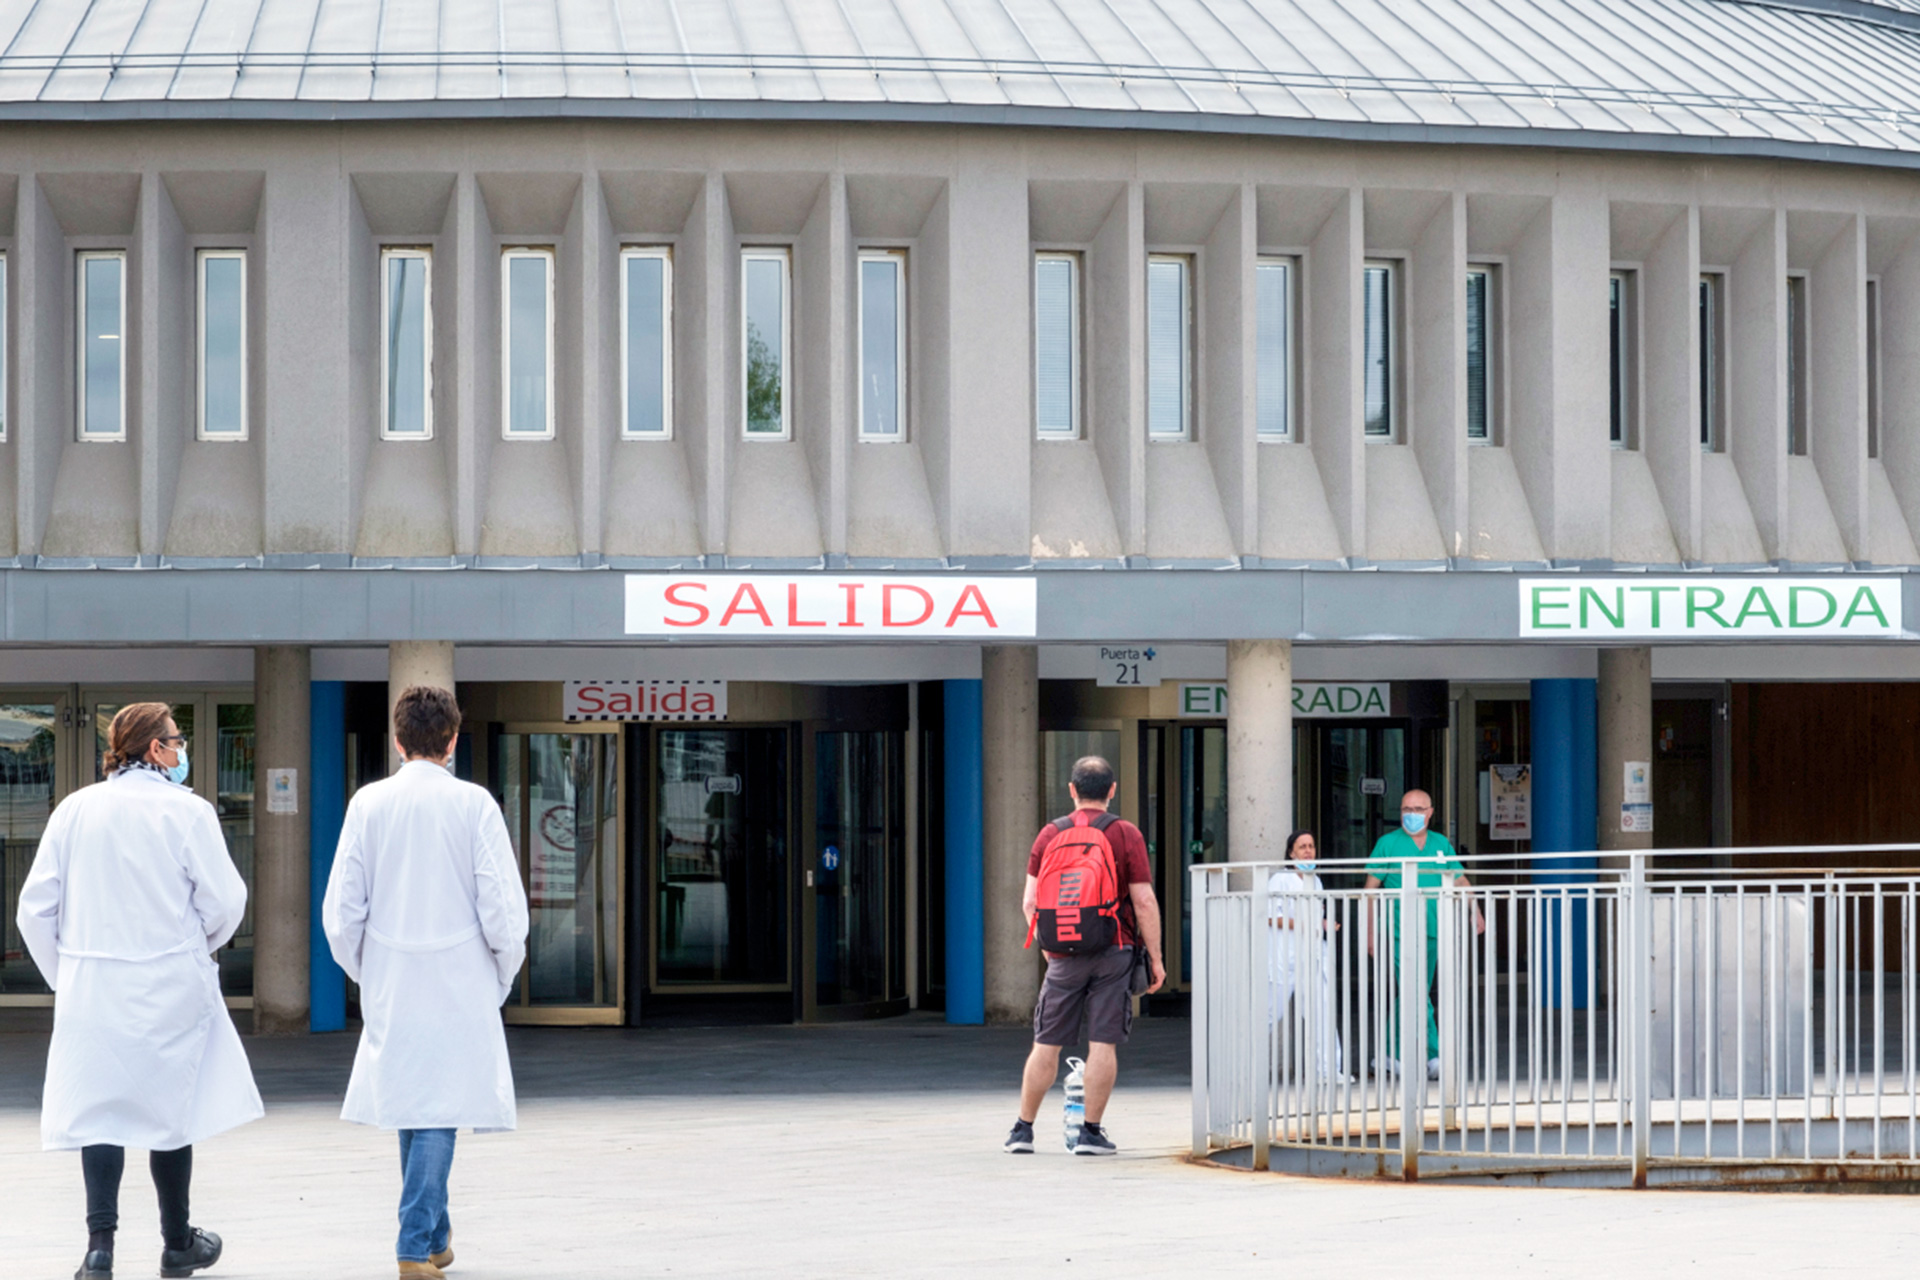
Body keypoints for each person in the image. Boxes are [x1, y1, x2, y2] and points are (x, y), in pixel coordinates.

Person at [16, 702, 261, 1280]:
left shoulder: (74, 811)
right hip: (169, 983)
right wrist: (198, 947)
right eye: (177, 741)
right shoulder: (189, 812)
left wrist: (68, 974)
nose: (182, 752)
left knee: (102, 1113)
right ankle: (178, 1244)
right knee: (168, 1110)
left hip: (93, 989)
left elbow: (34, 912)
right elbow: (226, 904)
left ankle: (100, 1250)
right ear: (155, 749)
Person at [323, 685, 529, 1280]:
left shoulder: (368, 803)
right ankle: (414, 1245)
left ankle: (436, 1238)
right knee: (439, 1102)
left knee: (416, 1100)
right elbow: (502, 906)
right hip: (460, 973)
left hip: (391, 972)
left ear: (396, 739)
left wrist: (367, 969)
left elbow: (342, 911)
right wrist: (501, 968)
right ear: (454, 740)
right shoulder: (475, 804)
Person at [1005, 755, 1165, 1157]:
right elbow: (1143, 900)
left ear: (1072, 790)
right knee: (1102, 1044)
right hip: (1113, 949)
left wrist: (1051, 948)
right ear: (1112, 790)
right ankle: (1089, 1134)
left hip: (1061, 952)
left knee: (1046, 1043)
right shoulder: (1125, 833)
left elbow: (1030, 902)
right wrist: (1157, 959)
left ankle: (1022, 1130)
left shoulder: (1048, 834)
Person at [1363, 789, 1484, 1080]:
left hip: (1433, 931)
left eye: (1418, 809)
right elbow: (1369, 891)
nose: (1412, 814)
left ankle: (1388, 1056)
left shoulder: (1441, 843)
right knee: (1416, 992)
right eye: (1406, 809)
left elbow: (1460, 878)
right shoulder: (1387, 844)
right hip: (1399, 932)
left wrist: (1475, 908)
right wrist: (1369, 934)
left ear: (1430, 813)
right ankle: (1432, 1054)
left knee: (1413, 992)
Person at [1268, 831, 1345, 1082]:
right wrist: (1305, 924)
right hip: (1283, 958)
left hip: (1312, 957)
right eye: (1302, 847)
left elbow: (1311, 917)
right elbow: (1270, 916)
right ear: (1291, 853)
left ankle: (1328, 1071)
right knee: (1269, 1014)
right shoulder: (1281, 880)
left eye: (1311, 846)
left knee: (1321, 1013)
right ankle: (1243, 1067)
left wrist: (1323, 923)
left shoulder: (1315, 881)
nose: (1308, 851)